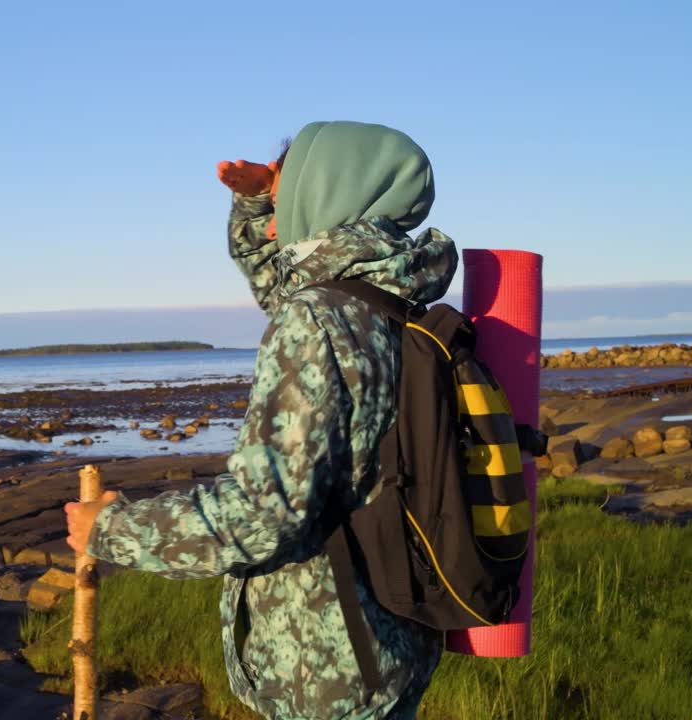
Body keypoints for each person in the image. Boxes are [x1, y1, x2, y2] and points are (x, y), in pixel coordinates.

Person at [65, 121, 458, 720]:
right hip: (396, 638)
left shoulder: (317, 319)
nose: (274, 226)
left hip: (326, 667)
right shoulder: (393, 300)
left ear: (324, 197)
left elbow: (264, 511)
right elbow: (286, 282)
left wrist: (112, 529)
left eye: (285, 202)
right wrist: (252, 203)